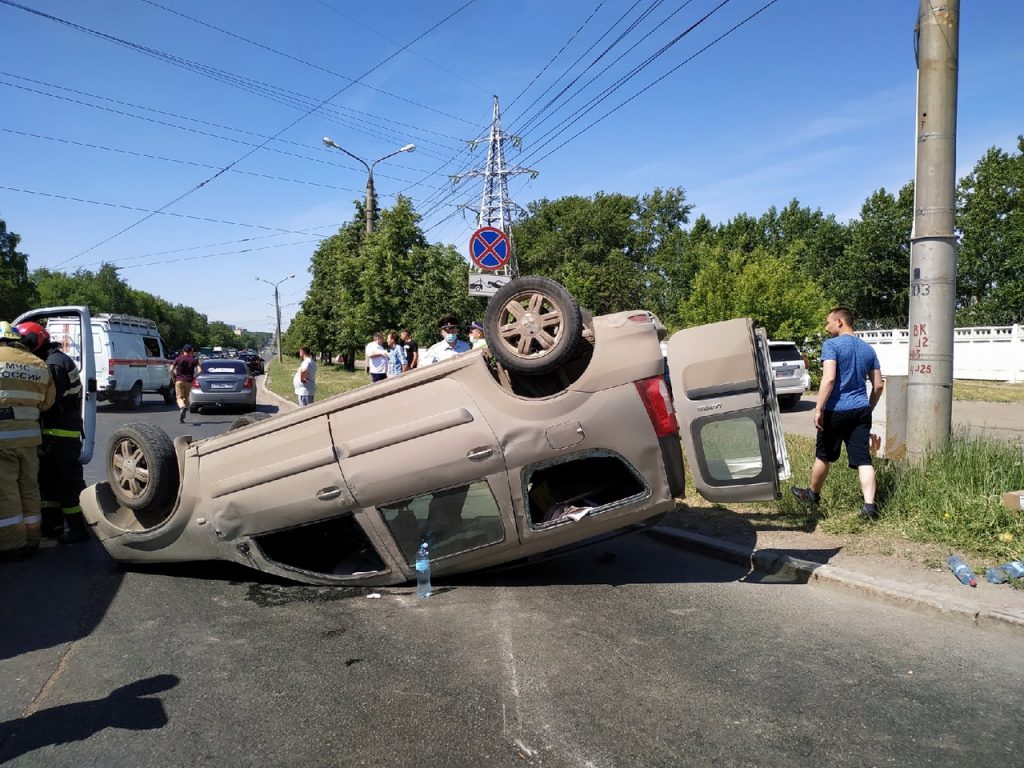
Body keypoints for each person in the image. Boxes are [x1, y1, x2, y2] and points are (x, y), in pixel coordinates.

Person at [791, 307, 885, 520]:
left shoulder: (831, 346)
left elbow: (829, 379)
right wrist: (867, 408)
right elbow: (878, 385)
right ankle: (869, 507)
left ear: (840, 322)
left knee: (824, 455)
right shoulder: (868, 350)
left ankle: (812, 495)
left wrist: (819, 409)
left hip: (836, 410)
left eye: (829, 322)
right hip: (861, 410)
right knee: (863, 459)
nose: (826, 327)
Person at [15, 321, 89, 544]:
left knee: (67, 482)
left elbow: (48, 402)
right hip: (55, 433)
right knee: (47, 480)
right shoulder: (55, 359)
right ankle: (52, 524)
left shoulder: (53, 365)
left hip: (60, 434)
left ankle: (79, 529)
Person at [0, 321, 56, 561]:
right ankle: (33, 538)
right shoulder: (38, 363)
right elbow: (47, 403)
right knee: (29, 486)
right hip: (30, 437)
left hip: (2, 436)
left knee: (6, 489)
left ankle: (13, 543)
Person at [171, 343, 198, 423]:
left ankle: (182, 407)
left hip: (179, 380)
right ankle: (182, 418)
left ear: (183, 351)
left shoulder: (178, 359)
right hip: (189, 381)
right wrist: (194, 377)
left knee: (179, 397)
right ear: (191, 351)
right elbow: (200, 370)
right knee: (185, 398)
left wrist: (173, 378)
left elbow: (171, 370)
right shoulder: (194, 360)